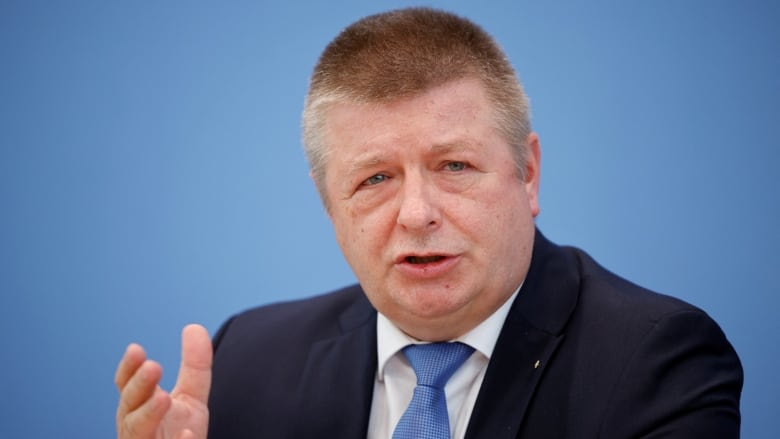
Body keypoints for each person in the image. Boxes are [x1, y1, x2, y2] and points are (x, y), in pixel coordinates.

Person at [115, 7, 743, 439]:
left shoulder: (658, 360)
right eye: (375, 179)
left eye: (455, 165)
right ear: (329, 205)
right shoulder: (250, 361)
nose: (417, 214)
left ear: (527, 173)